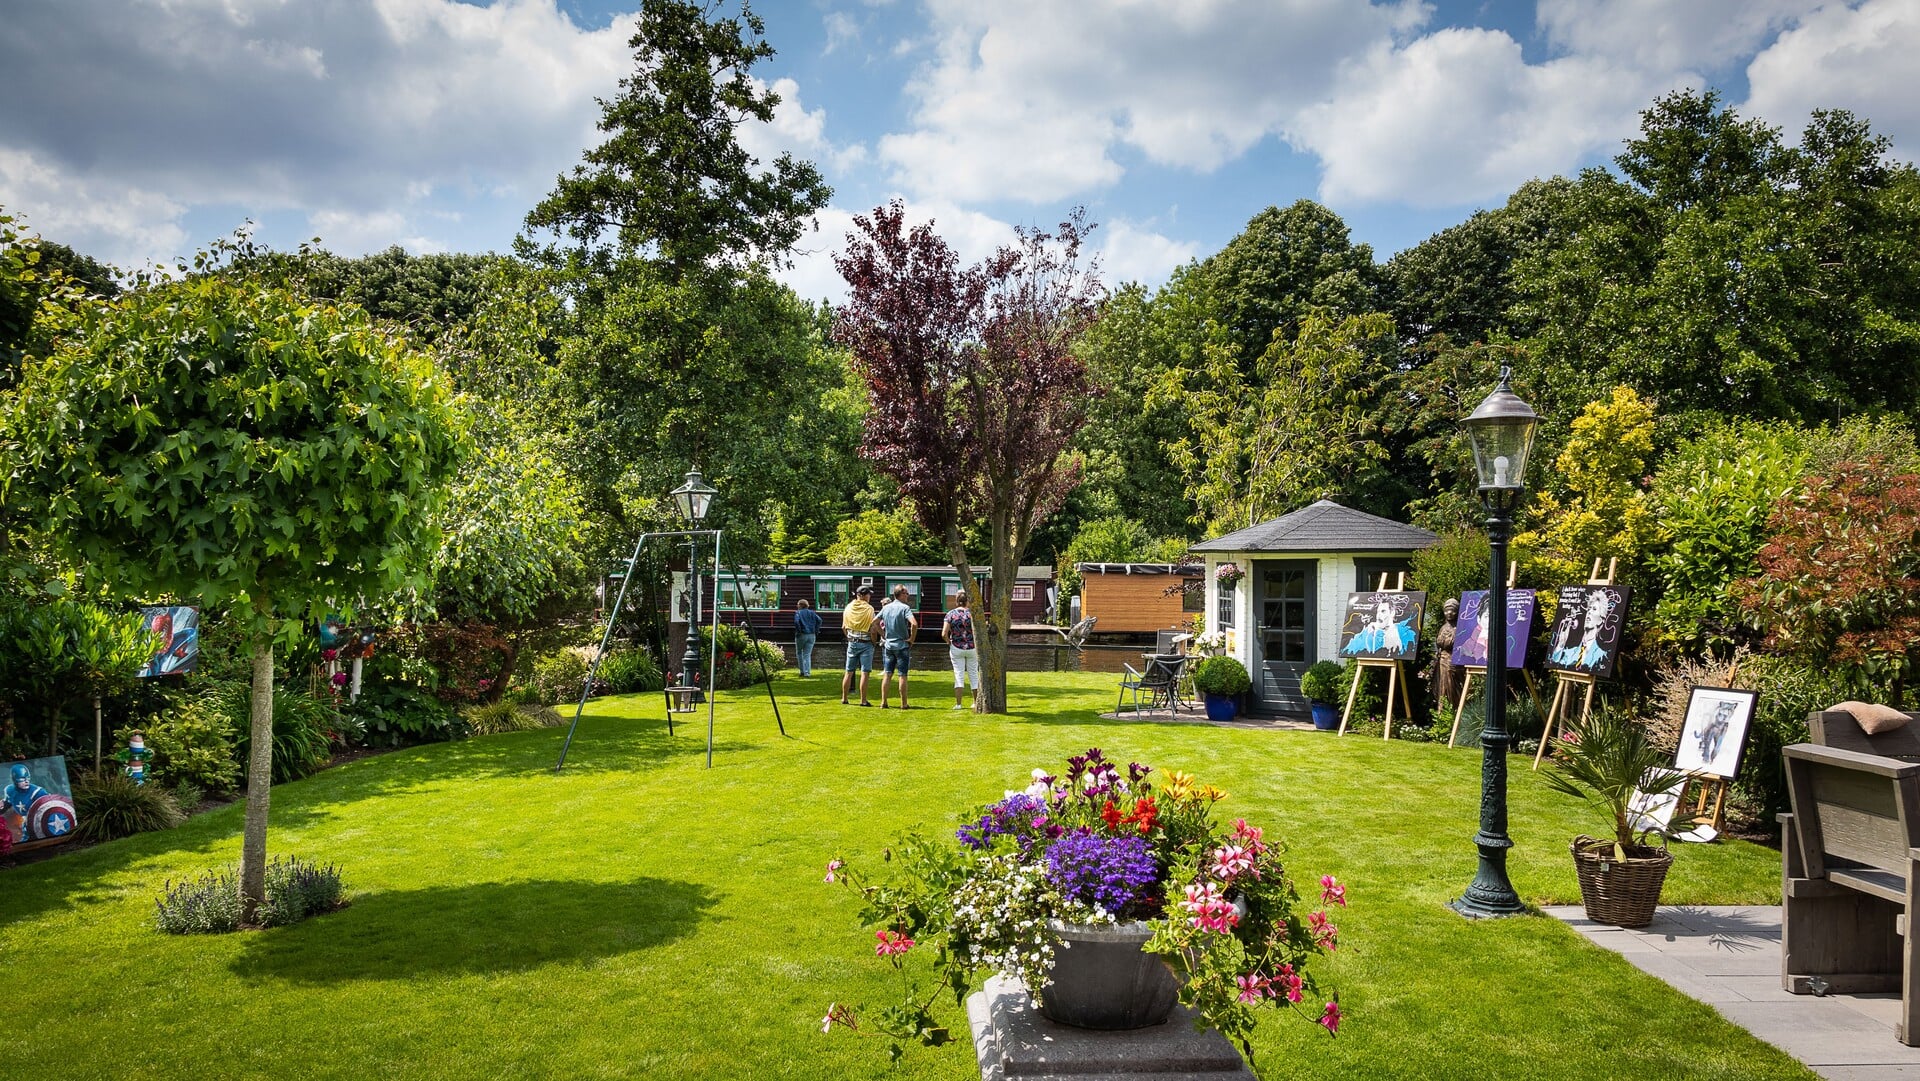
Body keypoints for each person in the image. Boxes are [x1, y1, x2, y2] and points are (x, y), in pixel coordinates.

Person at [878, 584, 919, 709]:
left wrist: (884, 635)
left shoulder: (886, 608)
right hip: (902, 645)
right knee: (902, 675)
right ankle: (904, 704)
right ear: (901, 594)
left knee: (887, 674)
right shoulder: (905, 608)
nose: (908, 595)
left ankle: (884, 702)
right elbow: (914, 624)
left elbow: (873, 623)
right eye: (906, 593)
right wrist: (911, 639)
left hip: (889, 646)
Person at [943, 589, 980, 710]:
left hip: (956, 647)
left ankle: (958, 704)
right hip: (972, 647)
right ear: (967, 601)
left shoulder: (950, 614)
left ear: (957, 601)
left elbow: (944, 633)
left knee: (958, 675)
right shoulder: (973, 614)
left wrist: (949, 642)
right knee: (974, 675)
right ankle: (975, 702)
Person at [841, 586, 877, 706]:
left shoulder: (849, 607)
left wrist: (849, 637)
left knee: (848, 672)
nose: (870, 596)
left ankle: (844, 698)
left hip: (852, 642)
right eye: (868, 594)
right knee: (865, 673)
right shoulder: (869, 609)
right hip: (865, 643)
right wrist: (874, 641)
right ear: (862, 595)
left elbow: (843, 627)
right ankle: (863, 700)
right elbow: (872, 629)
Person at [792, 598, 822, 677]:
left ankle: (802, 671)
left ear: (801, 605)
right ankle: (807, 672)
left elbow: (796, 622)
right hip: (812, 635)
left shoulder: (798, 613)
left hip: (802, 634)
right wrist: (816, 630)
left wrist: (799, 631)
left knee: (799, 652)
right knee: (807, 654)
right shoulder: (812, 613)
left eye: (798, 604)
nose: (797, 606)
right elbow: (819, 620)